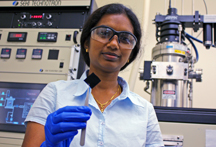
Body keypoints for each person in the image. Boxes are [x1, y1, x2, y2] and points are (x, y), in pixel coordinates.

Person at [22, 3, 164, 147]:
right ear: (86, 43)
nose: (114, 44)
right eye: (104, 33)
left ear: (131, 54)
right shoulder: (54, 93)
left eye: (125, 38)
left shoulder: (145, 110)